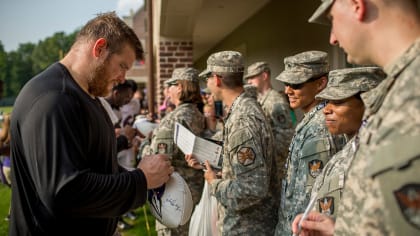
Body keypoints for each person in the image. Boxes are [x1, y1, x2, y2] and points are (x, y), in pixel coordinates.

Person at [9, 12, 174, 235]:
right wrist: (140, 180)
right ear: (99, 49)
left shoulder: (88, 97)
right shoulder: (54, 98)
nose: (123, 78)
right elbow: (65, 192)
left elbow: (95, 165)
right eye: (122, 66)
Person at [293, 0, 420, 235]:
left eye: (331, 19)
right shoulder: (398, 91)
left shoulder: (412, 89)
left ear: (356, 5)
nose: (332, 37)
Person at [186, 51, 279, 235]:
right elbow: (244, 170)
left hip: (249, 226)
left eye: (208, 80)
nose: (208, 87)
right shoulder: (242, 110)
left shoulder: (242, 119)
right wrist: (209, 164)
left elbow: (252, 188)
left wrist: (214, 183)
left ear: (217, 79)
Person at [291, 67, 385, 235]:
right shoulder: (346, 152)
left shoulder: (380, 158)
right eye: (326, 102)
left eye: (339, 102)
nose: (326, 110)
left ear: (369, 103)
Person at [274, 50, 346, 236]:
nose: (288, 90)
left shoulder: (319, 128)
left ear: (321, 84)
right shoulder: (311, 121)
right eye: (287, 84)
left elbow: (311, 196)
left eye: (296, 84)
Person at [148, 67, 205, 236]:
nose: (168, 91)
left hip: (173, 197)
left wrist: (144, 144)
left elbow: (157, 160)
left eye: (171, 85)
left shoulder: (174, 119)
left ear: (179, 87)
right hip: (194, 191)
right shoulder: (198, 115)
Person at [244, 61, 294, 182]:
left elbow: (286, 137)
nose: (249, 81)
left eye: (252, 77)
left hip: (277, 168)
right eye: (248, 78)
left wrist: (263, 150)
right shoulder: (259, 100)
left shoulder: (275, 101)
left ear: (264, 76)